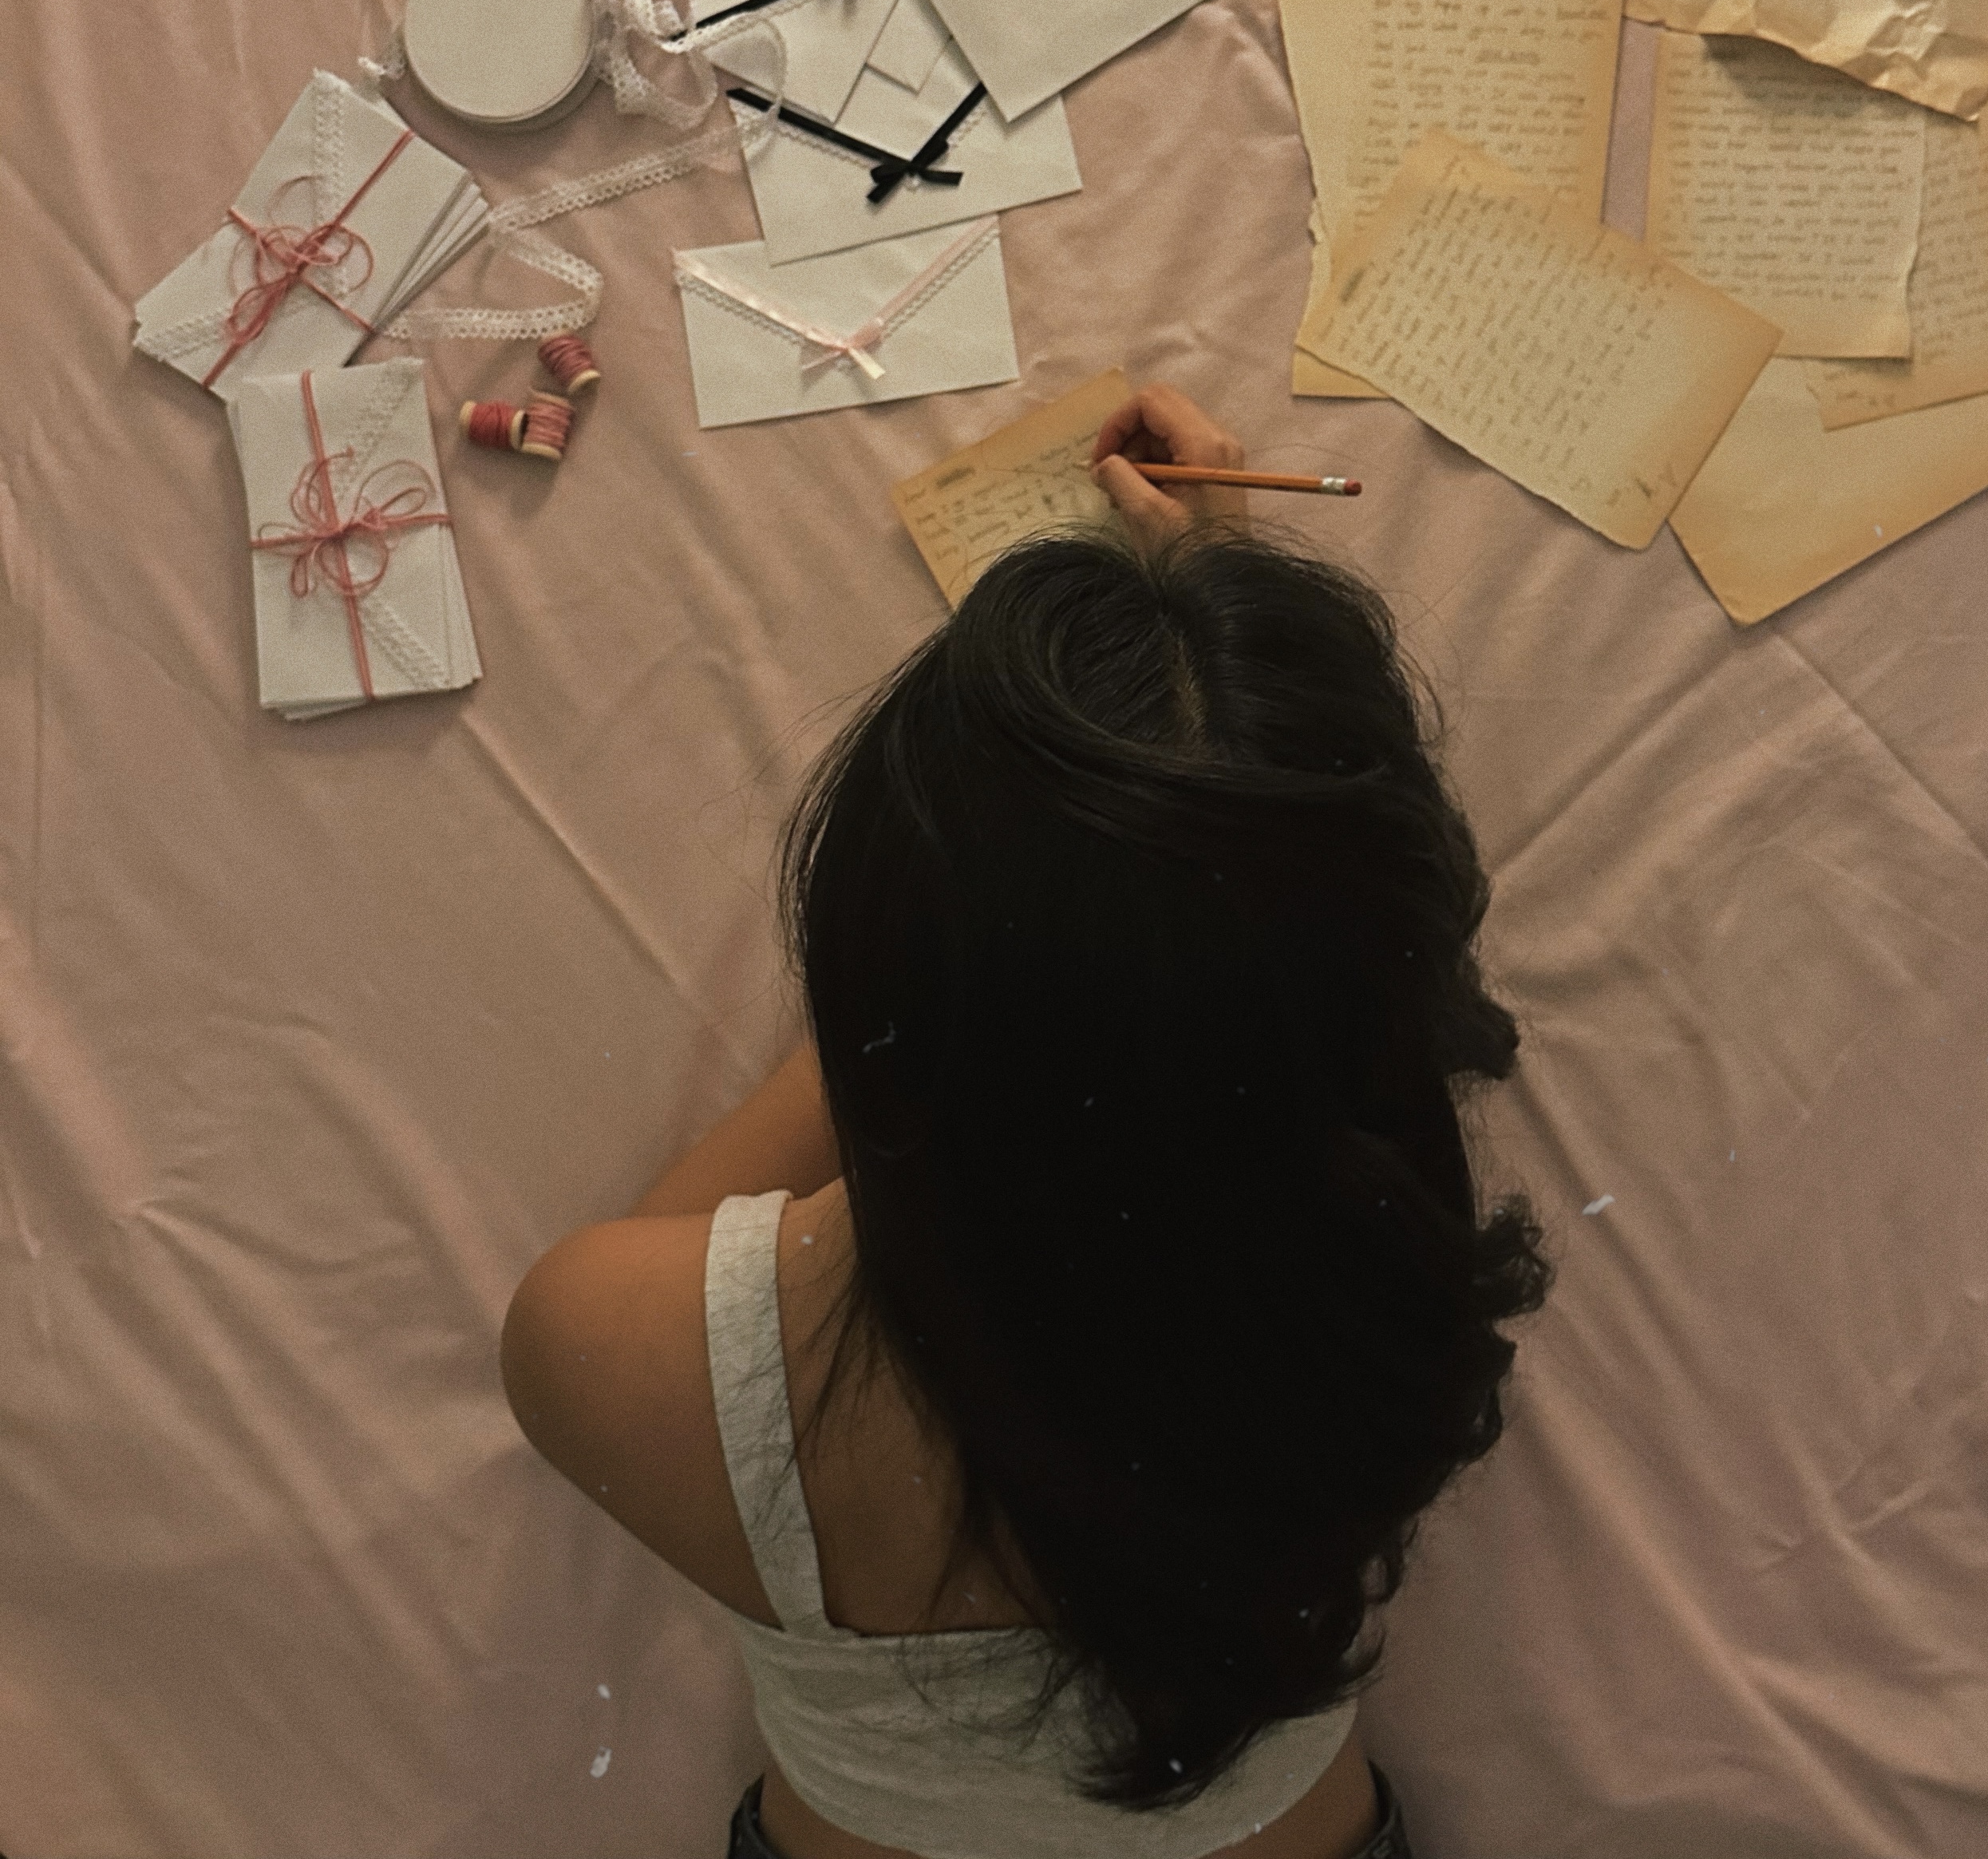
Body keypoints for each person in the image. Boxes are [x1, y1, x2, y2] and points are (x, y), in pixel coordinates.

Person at [500, 386, 1552, 1859]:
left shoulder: (601, 1350)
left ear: (880, 967)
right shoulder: (1395, 1302)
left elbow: (667, 1267)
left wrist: (943, 1005)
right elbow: (1282, 933)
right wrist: (1210, 652)